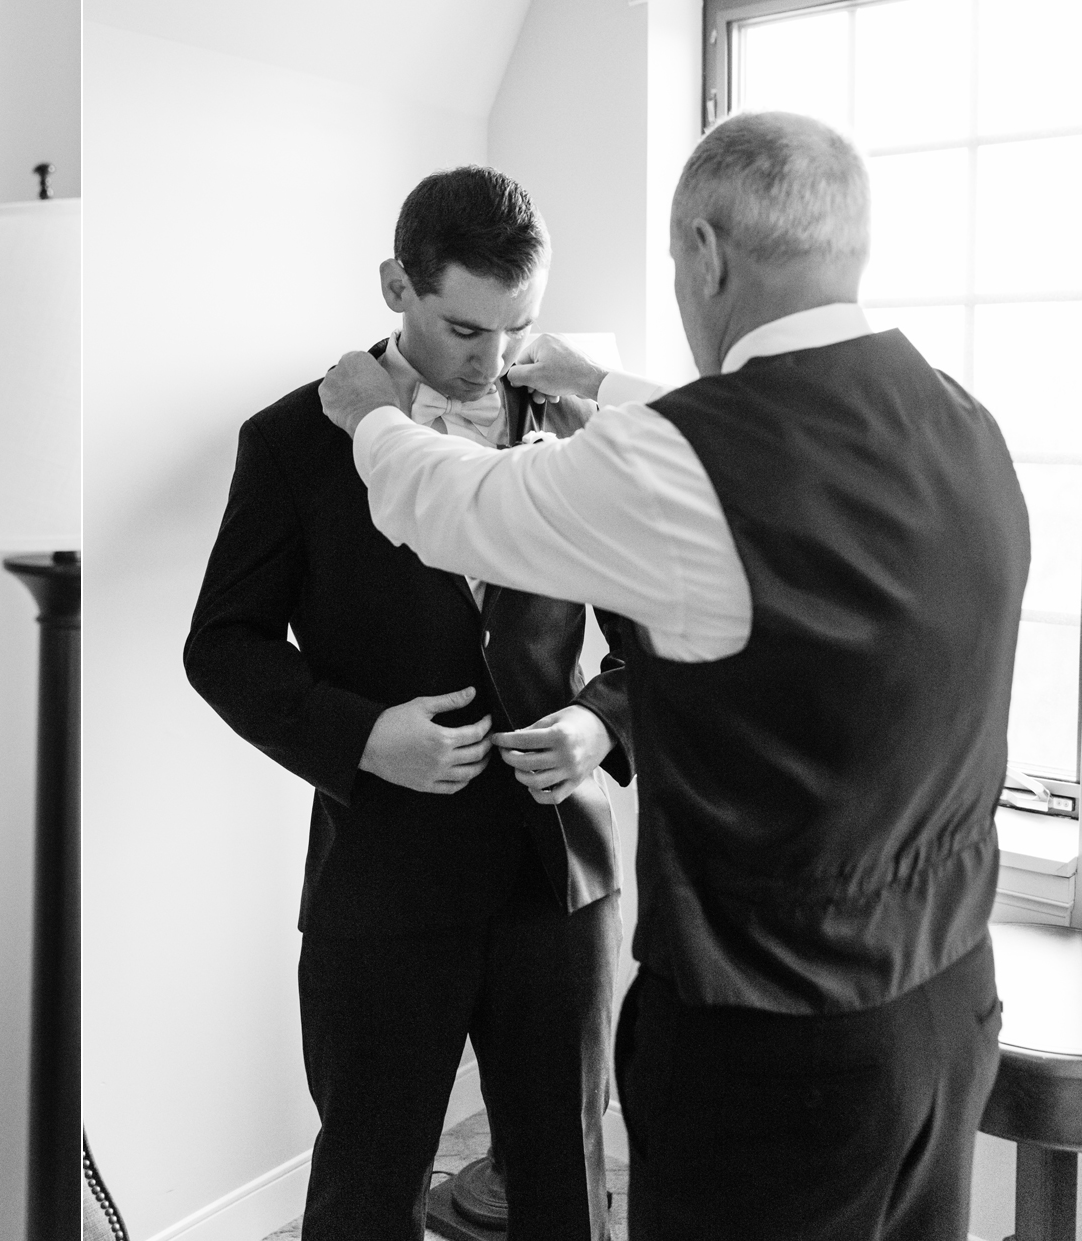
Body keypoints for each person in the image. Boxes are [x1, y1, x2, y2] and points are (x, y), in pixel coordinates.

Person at [319, 111, 1027, 1241]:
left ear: (702, 251)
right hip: (944, 1016)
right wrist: (603, 384)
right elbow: (769, 441)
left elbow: (458, 506)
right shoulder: (964, 418)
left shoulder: (679, 463)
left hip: (770, 1051)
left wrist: (369, 422)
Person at [185, 167, 632, 1240]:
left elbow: (663, 636)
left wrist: (597, 721)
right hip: (380, 882)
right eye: (463, 328)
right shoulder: (291, 441)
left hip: (554, 880)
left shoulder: (581, 427)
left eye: (516, 330)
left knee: (564, 1188)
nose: (490, 363)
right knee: (362, 1190)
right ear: (395, 283)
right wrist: (360, 736)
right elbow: (220, 646)